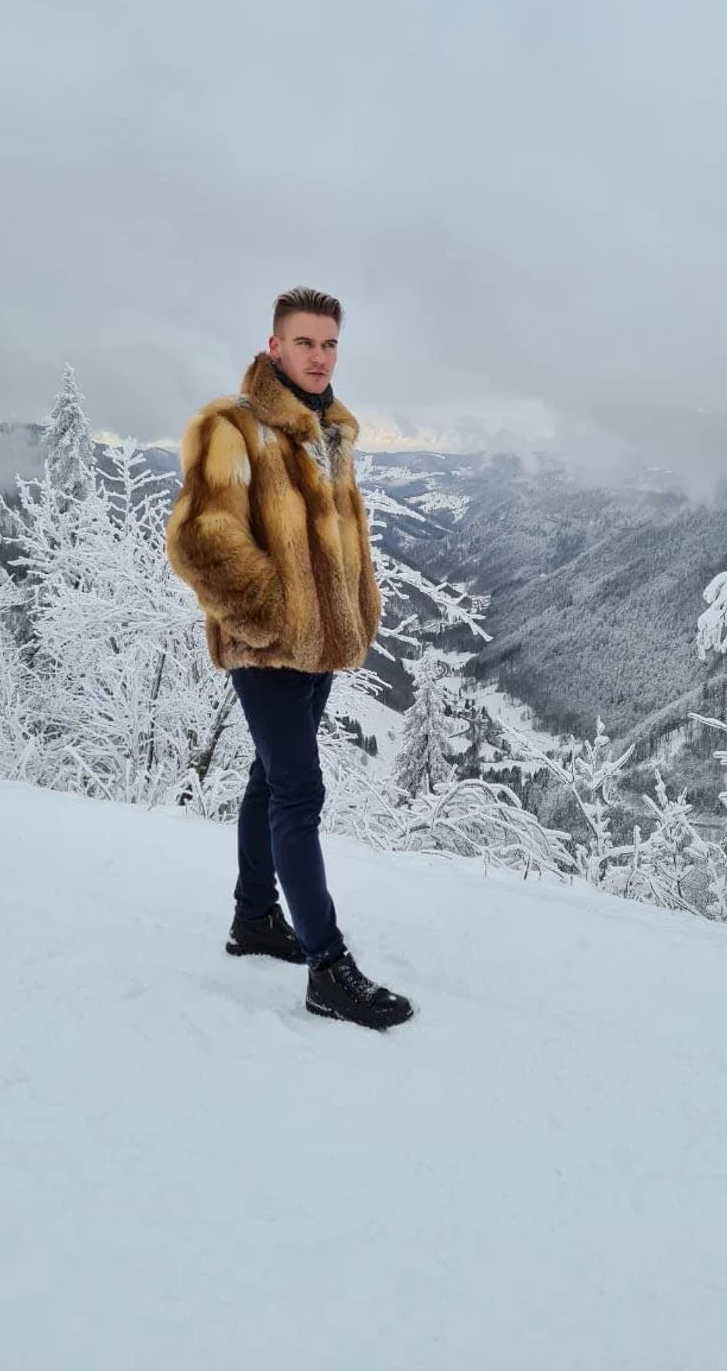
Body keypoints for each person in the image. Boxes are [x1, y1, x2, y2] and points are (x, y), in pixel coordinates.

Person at [165, 286, 414, 1030]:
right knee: (299, 794)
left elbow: (335, 540)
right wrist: (274, 615)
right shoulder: (233, 427)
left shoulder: (329, 431)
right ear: (274, 347)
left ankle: (254, 918)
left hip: (319, 647)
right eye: (304, 342)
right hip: (269, 647)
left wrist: (349, 611)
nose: (319, 356)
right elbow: (200, 542)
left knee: (269, 779)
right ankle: (327, 968)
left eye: (329, 344)